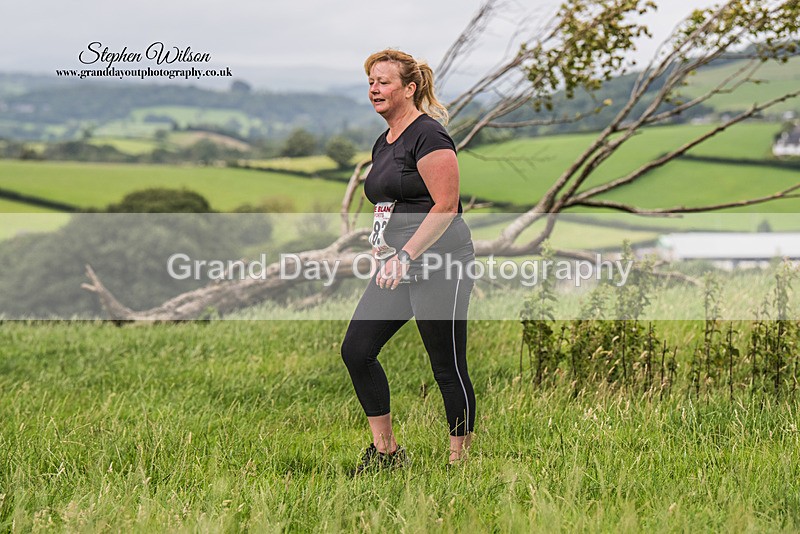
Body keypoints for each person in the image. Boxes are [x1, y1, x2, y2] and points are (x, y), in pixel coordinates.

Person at [341, 49, 476, 474]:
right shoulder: (385, 140)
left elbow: (445, 205)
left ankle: (459, 466)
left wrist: (406, 253)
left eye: (383, 82)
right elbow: (392, 201)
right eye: (370, 82)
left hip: (440, 259)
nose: (374, 89)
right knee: (357, 350)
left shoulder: (429, 136)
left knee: (447, 365)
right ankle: (386, 454)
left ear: (409, 88)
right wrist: (384, 248)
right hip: (396, 263)